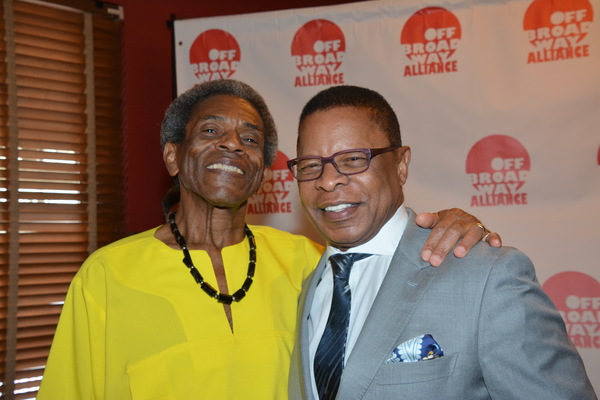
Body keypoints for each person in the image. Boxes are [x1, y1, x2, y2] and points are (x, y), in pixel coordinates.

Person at [37, 79, 500, 400]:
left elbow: (400, 286)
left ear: (263, 171)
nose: (233, 145)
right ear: (173, 157)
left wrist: (452, 227)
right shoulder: (106, 276)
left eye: (251, 139)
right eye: (212, 131)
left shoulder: (313, 263)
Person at [287, 85, 596, 399]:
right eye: (311, 166)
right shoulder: (308, 286)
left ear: (401, 165)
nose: (327, 180)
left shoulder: (487, 277)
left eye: (353, 159)